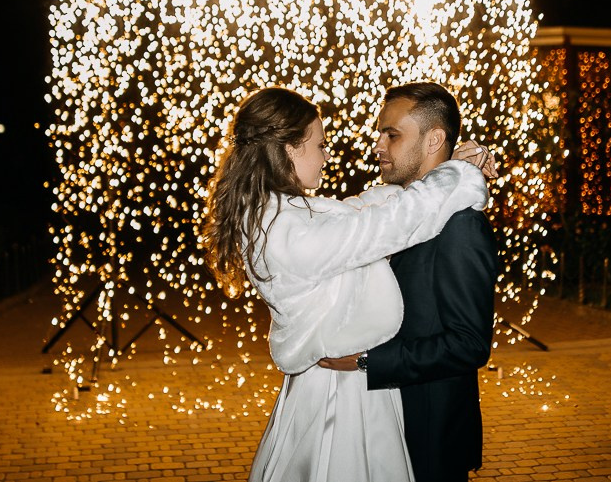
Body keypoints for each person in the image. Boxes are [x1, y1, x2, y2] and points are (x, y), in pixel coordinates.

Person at [201, 86, 497, 482]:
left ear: (433, 139)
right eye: (320, 145)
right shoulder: (287, 230)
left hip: (363, 400)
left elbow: (366, 209)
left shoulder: (281, 214)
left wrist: (449, 172)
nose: (328, 154)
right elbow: (383, 223)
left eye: (391, 134)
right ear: (289, 148)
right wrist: (458, 174)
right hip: (339, 402)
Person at [320, 82, 499, 482]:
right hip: (385, 425)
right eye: (380, 133)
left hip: (429, 436)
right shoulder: (396, 213)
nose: (378, 146)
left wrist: (367, 362)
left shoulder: (461, 225)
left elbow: (468, 344)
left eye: (393, 135)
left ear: (434, 139)